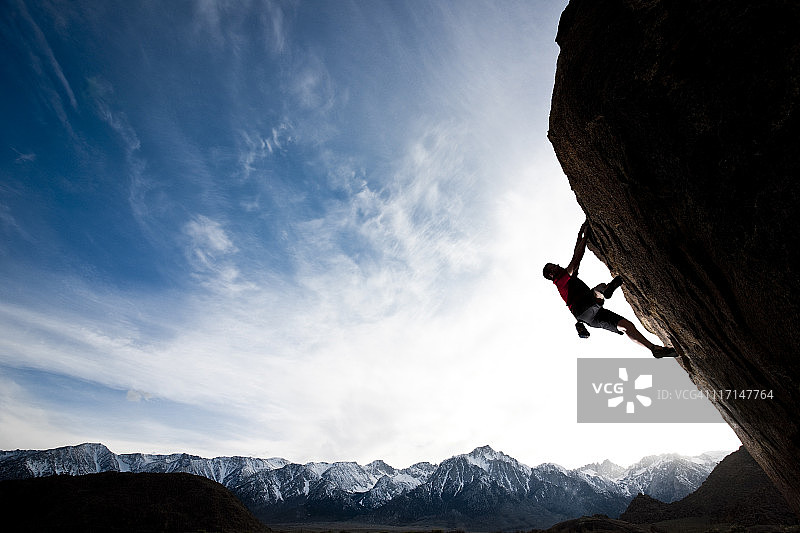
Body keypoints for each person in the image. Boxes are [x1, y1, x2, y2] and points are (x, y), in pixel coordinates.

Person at [543, 221, 677, 358]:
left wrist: (580, 235)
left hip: (591, 318)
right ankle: (605, 291)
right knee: (598, 289)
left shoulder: (567, 279)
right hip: (582, 307)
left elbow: (575, 255)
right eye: (553, 267)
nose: (557, 266)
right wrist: (585, 236)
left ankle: (653, 349)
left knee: (626, 326)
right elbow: (576, 261)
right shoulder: (560, 280)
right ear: (551, 274)